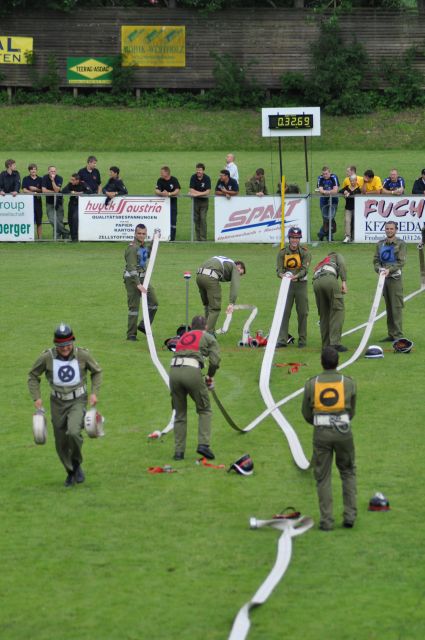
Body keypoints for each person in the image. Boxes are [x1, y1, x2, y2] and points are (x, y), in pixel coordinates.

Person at [28, 324, 102, 487]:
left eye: (68, 344)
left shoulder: (82, 355)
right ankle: (70, 471)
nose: (65, 348)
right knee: (61, 441)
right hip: (57, 402)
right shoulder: (47, 357)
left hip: (78, 400)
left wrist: (94, 393)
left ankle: (76, 463)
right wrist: (36, 397)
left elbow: (97, 372)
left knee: (74, 432)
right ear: (56, 344)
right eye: (61, 345)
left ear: (72, 342)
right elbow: (33, 375)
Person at [302, 346, 357, 531]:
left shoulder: (312, 383)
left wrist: (319, 423)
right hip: (343, 431)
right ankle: (350, 516)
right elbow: (352, 411)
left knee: (323, 477)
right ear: (338, 362)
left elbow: (306, 413)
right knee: (348, 472)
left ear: (321, 362)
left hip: (321, 432)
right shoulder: (348, 382)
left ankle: (326, 521)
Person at [169, 315, 220, 461]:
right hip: (191, 371)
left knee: (180, 414)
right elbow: (215, 361)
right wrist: (210, 376)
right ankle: (203, 444)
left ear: (191, 326)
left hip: (174, 371)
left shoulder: (183, 336)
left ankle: (179, 452)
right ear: (206, 327)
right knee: (204, 409)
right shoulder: (208, 337)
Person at [275, 226, 311, 348]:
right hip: (286, 286)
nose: (294, 240)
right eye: (292, 238)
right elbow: (279, 269)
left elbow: (305, 270)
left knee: (303, 313)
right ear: (289, 238)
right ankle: (282, 339)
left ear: (299, 239)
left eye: (297, 238)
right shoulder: (282, 252)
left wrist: (296, 276)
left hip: (301, 284)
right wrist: (282, 275)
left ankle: (302, 340)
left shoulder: (305, 252)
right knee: (284, 312)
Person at [123, 223, 158, 341]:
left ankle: (143, 325)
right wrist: (138, 284)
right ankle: (131, 335)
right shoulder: (132, 248)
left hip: (144, 279)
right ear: (135, 233)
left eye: (143, 233)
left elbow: (148, 254)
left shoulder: (142, 246)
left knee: (154, 303)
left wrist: (154, 240)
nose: (141, 235)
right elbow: (131, 268)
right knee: (134, 308)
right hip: (132, 281)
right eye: (139, 233)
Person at [373, 220, 406, 341]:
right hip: (383, 280)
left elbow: (401, 262)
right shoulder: (380, 244)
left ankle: (398, 336)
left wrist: (389, 270)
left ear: (396, 230)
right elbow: (376, 260)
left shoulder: (401, 244)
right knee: (389, 307)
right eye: (387, 228)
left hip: (395, 280)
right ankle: (391, 334)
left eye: (391, 229)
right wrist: (379, 269)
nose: (389, 231)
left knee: (396, 307)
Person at [196, 256, 246, 333]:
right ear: (238, 267)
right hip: (210, 278)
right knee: (215, 308)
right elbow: (234, 285)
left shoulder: (224, 260)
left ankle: (204, 330)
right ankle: (208, 333)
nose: (239, 275)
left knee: (207, 305)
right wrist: (232, 303)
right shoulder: (234, 267)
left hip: (199, 276)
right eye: (240, 273)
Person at [313, 251, 348, 352]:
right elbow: (342, 264)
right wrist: (344, 282)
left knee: (324, 314)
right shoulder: (336, 255)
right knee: (338, 310)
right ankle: (335, 344)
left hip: (316, 282)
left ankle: (326, 345)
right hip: (329, 279)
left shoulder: (323, 262)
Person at [62, 173, 92, 242]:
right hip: (71, 204)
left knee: (75, 218)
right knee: (70, 220)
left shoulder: (83, 184)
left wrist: (80, 193)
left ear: (77, 180)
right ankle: (73, 237)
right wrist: (72, 192)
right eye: (71, 179)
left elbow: (90, 191)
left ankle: (76, 237)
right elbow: (63, 191)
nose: (71, 181)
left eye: (73, 180)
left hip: (79, 204)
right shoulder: (70, 184)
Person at [42, 166, 68, 239]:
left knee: (59, 220)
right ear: (48, 171)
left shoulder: (59, 178)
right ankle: (66, 232)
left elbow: (57, 190)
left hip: (59, 201)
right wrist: (54, 192)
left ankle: (57, 237)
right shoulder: (45, 178)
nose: (53, 173)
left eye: (54, 171)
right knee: (52, 219)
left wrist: (53, 181)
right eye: (51, 171)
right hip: (49, 202)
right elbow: (44, 190)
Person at [155, 166, 181, 241]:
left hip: (172, 204)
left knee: (173, 220)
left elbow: (177, 190)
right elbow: (156, 190)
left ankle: (172, 238)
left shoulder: (174, 180)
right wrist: (161, 193)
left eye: (162, 172)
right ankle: (163, 236)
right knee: (163, 219)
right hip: (162, 205)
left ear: (167, 173)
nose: (160, 174)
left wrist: (169, 194)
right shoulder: (160, 180)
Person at [189, 163, 211, 241]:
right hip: (195, 202)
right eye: (197, 170)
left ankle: (203, 238)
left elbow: (208, 192)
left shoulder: (207, 178)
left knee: (203, 219)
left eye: (200, 170)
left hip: (204, 201)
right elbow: (191, 190)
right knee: (196, 219)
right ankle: (198, 238)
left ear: (203, 171)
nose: (198, 171)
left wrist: (196, 194)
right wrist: (201, 193)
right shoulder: (193, 177)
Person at [316, 166, 339, 241]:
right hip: (323, 201)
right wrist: (329, 192)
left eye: (326, 174)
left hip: (334, 200)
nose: (325, 175)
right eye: (323, 174)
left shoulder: (334, 177)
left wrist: (325, 192)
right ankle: (328, 236)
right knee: (325, 218)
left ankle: (322, 234)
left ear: (330, 172)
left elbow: (335, 190)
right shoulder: (320, 178)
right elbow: (320, 190)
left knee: (330, 217)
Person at [22, 163, 43, 240]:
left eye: (34, 169)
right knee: (29, 220)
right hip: (28, 202)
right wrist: (33, 192)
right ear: (29, 171)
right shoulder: (26, 179)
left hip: (37, 202)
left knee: (39, 221)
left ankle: (40, 238)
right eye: (31, 169)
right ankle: (30, 237)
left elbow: (43, 190)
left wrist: (36, 189)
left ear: (36, 170)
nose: (33, 171)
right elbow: (24, 189)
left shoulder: (40, 179)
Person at [339, 174, 361, 243]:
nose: (352, 182)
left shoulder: (359, 189)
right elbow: (340, 191)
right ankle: (347, 236)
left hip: (356, 209)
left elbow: (356, 193)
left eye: (353, 181)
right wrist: (344, 192)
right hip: (348, 208)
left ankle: (354, 237)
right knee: (347, 221)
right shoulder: (347, 187)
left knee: (355, 222)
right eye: (351, 181)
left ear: (356, 180)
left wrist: (349, 193)